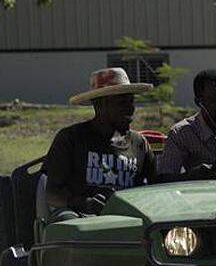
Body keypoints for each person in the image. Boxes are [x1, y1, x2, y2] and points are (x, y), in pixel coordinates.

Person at [43, 67, 157, 221]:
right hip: (81, 217)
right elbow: (51, 193)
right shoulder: (71, 138)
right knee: (68, 223)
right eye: (122, 102)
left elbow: (155, 185)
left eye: (131, 101)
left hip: (130, 220)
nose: (131, 108)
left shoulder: (139, 143)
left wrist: (188, 177)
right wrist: (83, 203)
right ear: (100, 105)